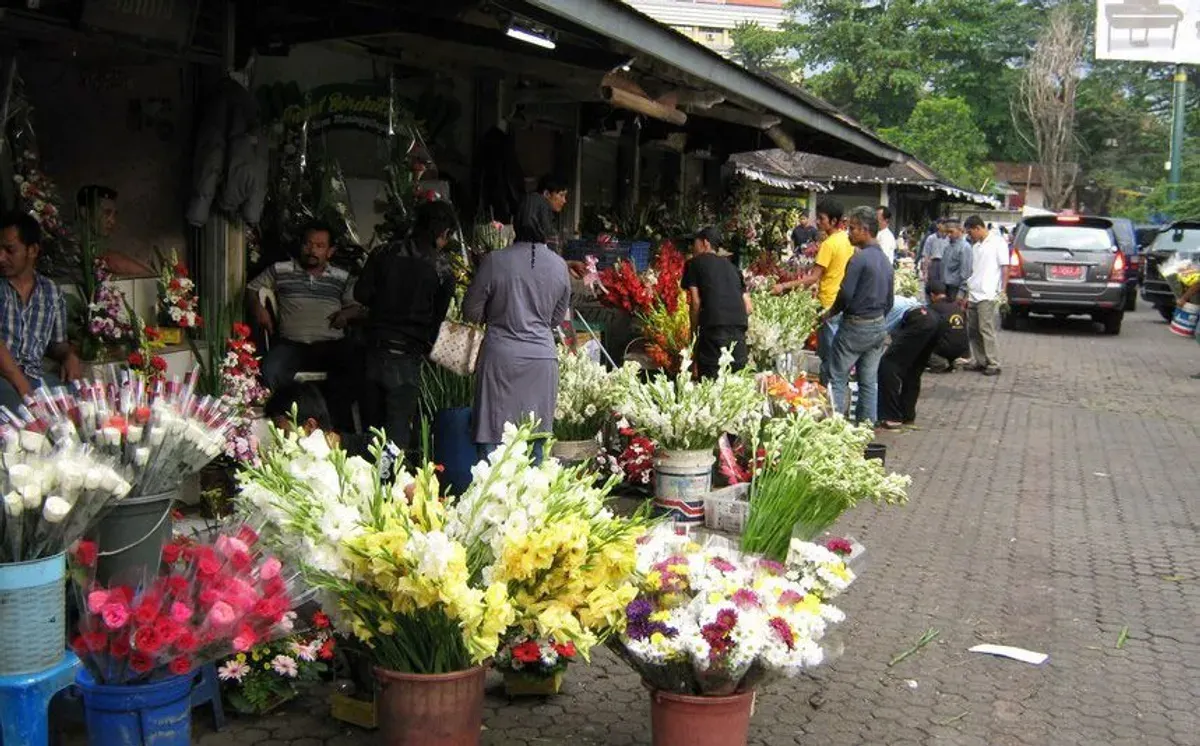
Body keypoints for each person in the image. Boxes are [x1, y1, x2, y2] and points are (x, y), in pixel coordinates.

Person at [463, 193, 571, 462]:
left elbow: (471, 311)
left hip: (500, 359)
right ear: (548, 225)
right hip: (541, 361)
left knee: (493, 441)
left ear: (515, 222)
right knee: (534, 442)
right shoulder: (559, 267)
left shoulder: (494, 261)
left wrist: (498, 313)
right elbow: (557, 318)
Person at [355, 200, 458, 451]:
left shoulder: (382, 253)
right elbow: (437, 320)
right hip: (406, 359)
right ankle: (388, 485)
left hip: (373, 353)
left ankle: (364, 484)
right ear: (443, 234)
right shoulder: (443, 269)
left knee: (371, 431)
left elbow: (361, 293)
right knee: (395, 437)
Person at [246, 221, 363, 428]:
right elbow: (252, 288)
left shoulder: (341, 277)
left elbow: (357, 307)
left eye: (320, 246)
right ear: (300, 245)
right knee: (271, 369)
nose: (312, 250)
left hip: (329, 345)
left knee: (352, 369)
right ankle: (281, 426)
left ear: (330, 251)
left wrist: (347, 314)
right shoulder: (280, 270)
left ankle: (337, 429)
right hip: (292, 343)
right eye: (308, 244)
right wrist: (259, 309)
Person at [0, 211, 83, 410]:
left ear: (33, 250)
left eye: (9, 250)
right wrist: (24, 389)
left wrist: (68, 356)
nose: (1, 257)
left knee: (79, 405)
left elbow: (57, 344)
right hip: (5, 379)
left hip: (36, 378)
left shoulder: (51, 292)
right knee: (20, 416)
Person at [773, 199, 855, 384]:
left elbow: (813, 277)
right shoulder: (847, 240)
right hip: (842, 303)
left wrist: (783, 287)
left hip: (827, 305)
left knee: (828, 359)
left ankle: (830, 396)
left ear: (834, 221)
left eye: (821, 218)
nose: (817, 222)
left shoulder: (828, 244)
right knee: (838, 356)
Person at [825, 206, 894, 425]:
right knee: (868, 381)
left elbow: (845, 294)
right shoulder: (884, 260)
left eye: (852, 228)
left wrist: (830, 313)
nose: (848, 233)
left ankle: (834, 425)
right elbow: (890, 300)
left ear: (865, 230)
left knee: (836, 376)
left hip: (856, 325)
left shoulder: (859, 259)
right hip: (878, 325)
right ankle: (866, 428)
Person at [681, 227, 752, 378]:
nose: (692, 248)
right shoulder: (734, 268)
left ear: (705, 243)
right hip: (739, 335)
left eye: (695, 243)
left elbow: (695, 303)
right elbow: (748, 307)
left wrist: (693, 337)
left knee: (710, 386)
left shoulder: (694, 264)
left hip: (714, 333)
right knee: (736, 387)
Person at [878, 295, 941, 429]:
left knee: (888, 365)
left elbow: (878, 335)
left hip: (917, 320)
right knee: (913, 369)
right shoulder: (893, 299)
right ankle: (907, 415)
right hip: (932, 318)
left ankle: (892, 416)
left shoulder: (878, 307)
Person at [962, 215, 1012, 376]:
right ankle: (980, 360)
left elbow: (1005, 267)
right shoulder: (976, 247)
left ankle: (993, 362)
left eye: (971, 232)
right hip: (974, 292)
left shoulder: (998, 243)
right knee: (973, 329)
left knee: (986, 328)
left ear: (978, 228)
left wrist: (1003, 290)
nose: (970, 236)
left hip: (988, 293)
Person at [76, 185, 154, 277]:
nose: (113, 221)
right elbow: (110, 260)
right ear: (85, 213)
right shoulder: (71, 245)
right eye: (106, 213)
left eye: (114, 214)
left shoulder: (109, 242)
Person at [925, 282, 970, 373]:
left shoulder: (932, 308)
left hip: (945, 348)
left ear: (932, 295)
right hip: (962, 349)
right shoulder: (956, 306)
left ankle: (938, 363)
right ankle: (951, 362)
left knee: (919, 342)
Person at [940, 219, 972, 299]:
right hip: (945, 287)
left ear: (960, 230)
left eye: (951, 232)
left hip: (955, 289)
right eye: (947, 232)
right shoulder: (948, 247)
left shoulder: (965, 247)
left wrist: (961, 293)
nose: (948, 235)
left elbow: (966, 272)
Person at [922, 219, 949, 287]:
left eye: (945, 223)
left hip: (946, 265)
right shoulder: (931, 238)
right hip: (933, 264)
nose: (944, 225)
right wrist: (925, 272)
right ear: (937, 225)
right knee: (932, 286)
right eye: (942, 223)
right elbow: (926, 255)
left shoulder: (949, 239)